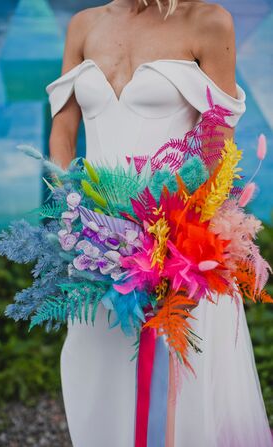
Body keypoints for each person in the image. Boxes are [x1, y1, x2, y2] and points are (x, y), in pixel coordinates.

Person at [45, 1, 273, 446]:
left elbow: (216, 139)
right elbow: (63, 131)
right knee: (93, 372)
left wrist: (166, 228)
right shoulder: (84, 25)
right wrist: (73, 207)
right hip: (95, 245)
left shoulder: (207, 21)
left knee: (179, 389)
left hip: (176, 245)